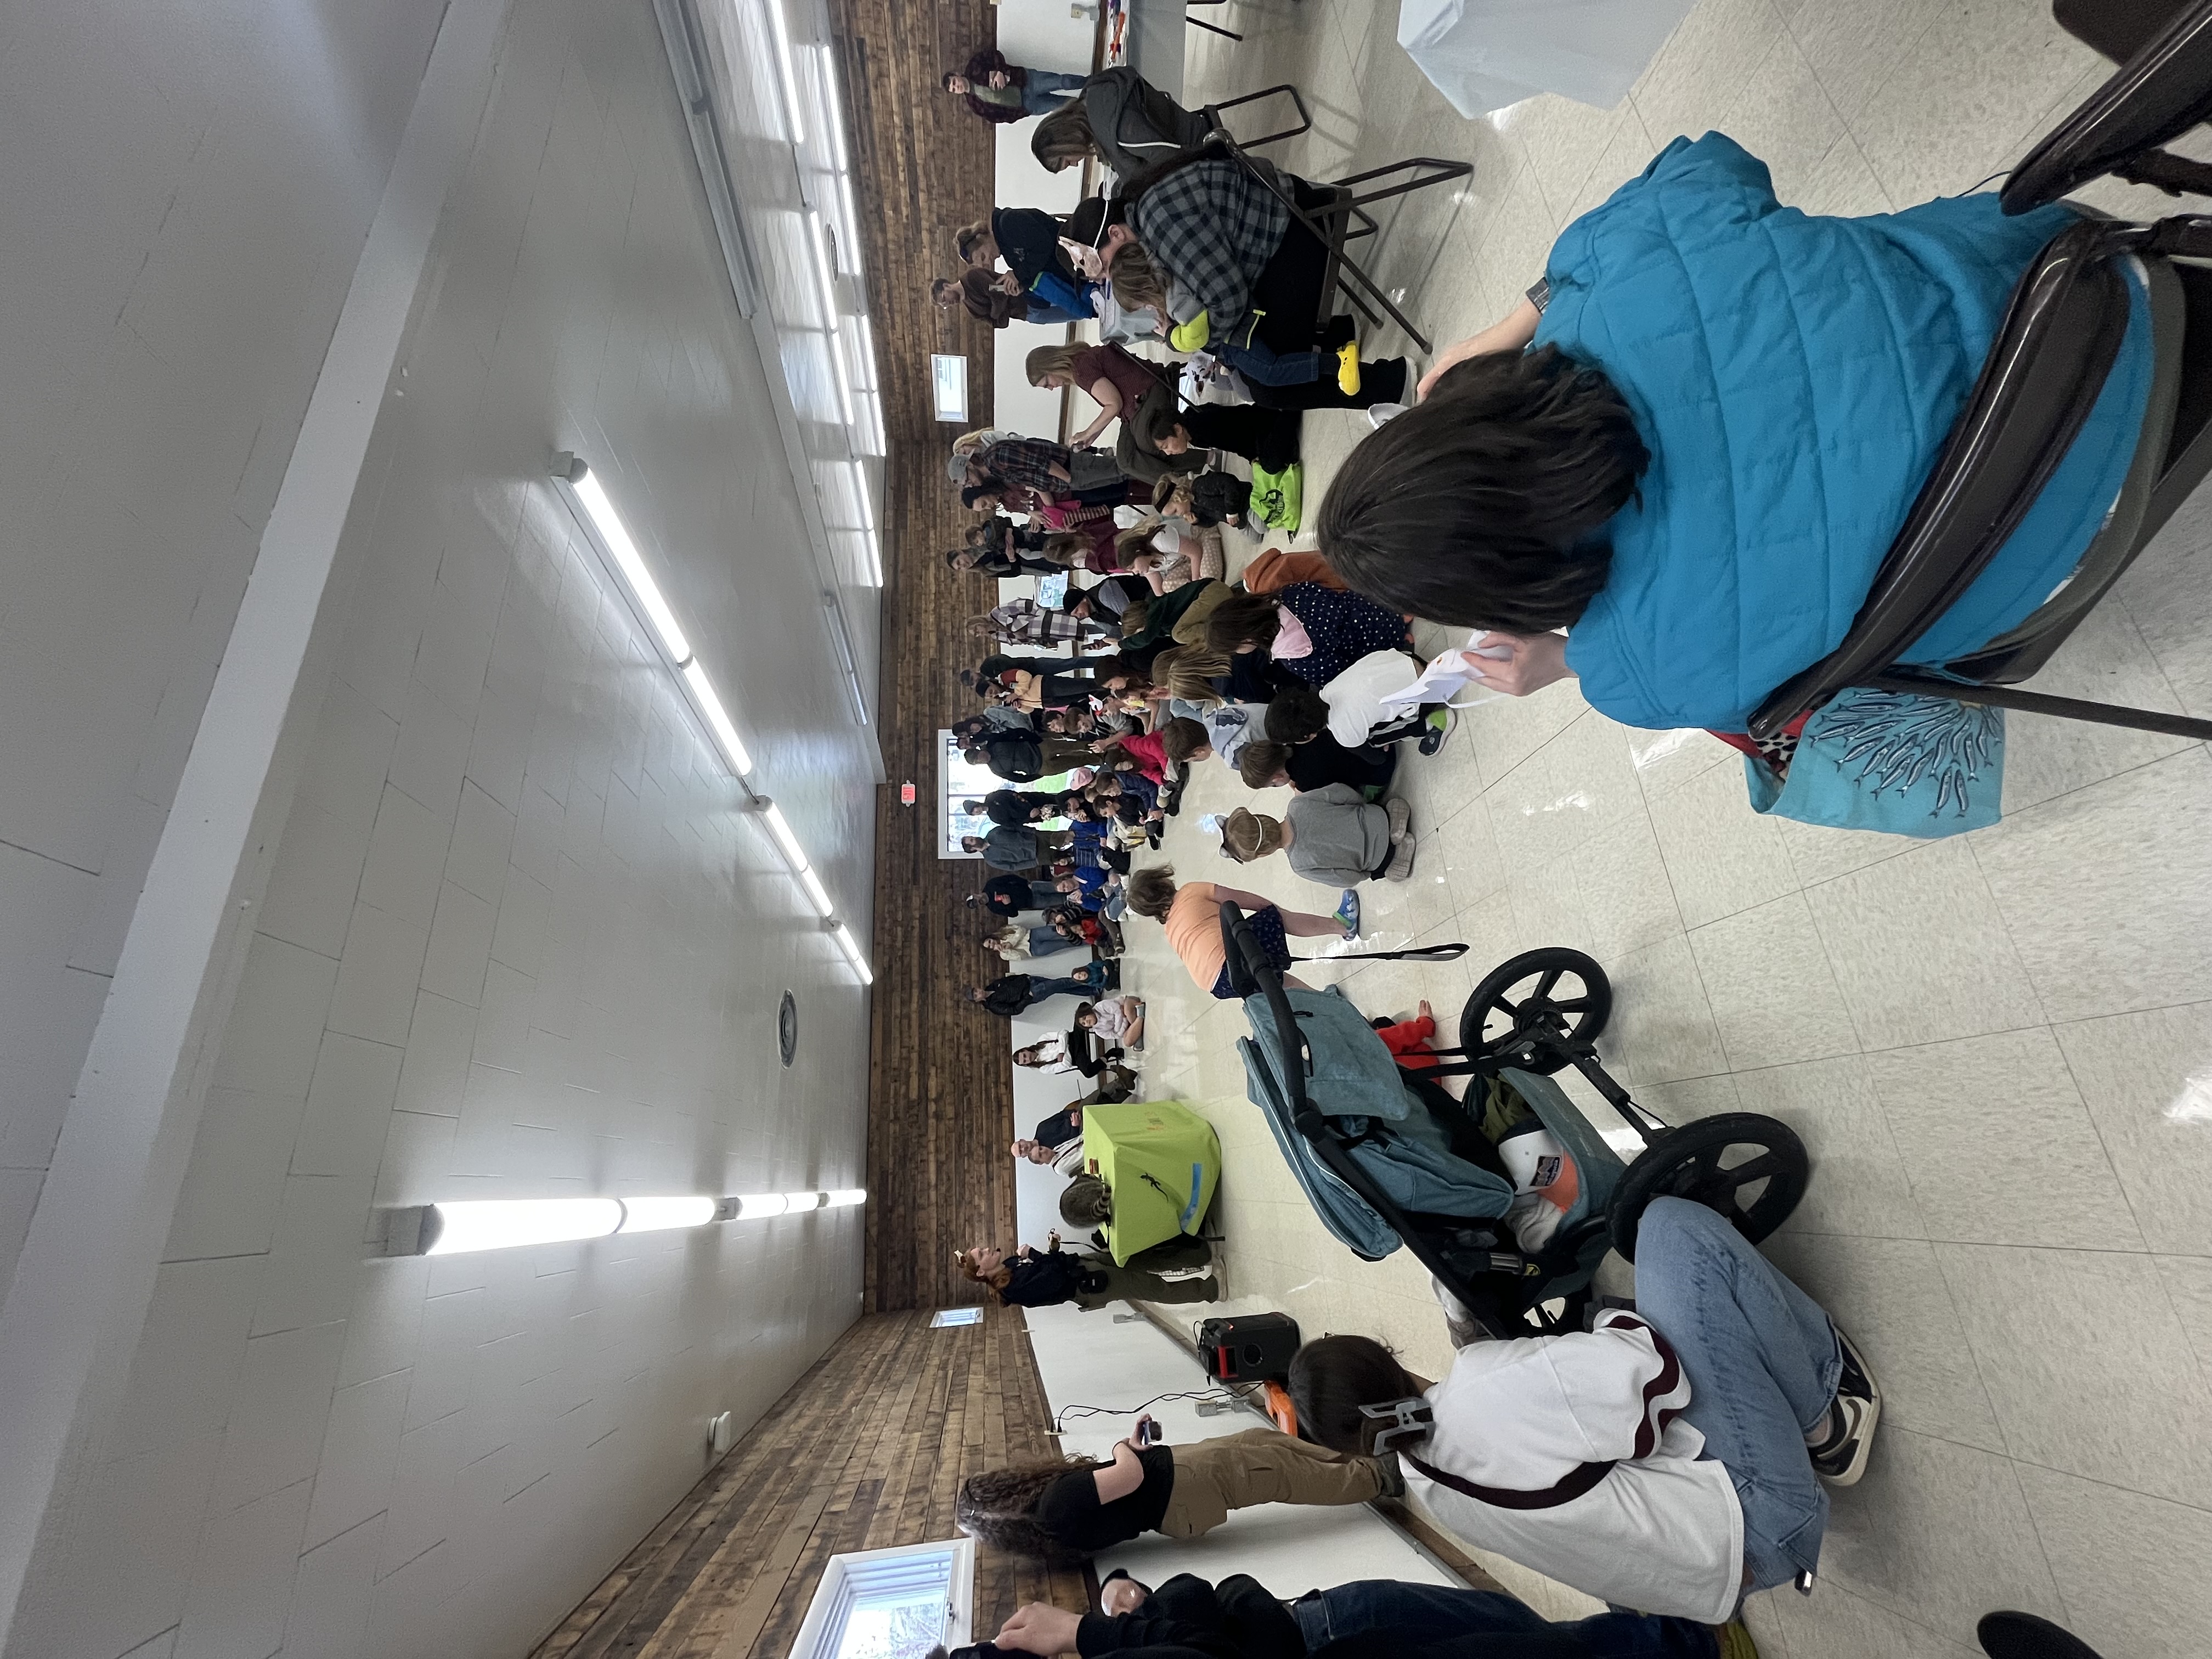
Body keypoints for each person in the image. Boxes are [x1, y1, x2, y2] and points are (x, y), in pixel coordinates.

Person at [1315, 132, 2154, 740]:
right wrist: (1520, 316)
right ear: (1456, 413)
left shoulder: (1633, 667)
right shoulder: (1624, 272)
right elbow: (1707, 161)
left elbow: (1772, 705)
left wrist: (1560, 662)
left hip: (2055, 548)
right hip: (2091, 294)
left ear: (1492, 585)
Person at [1286, 1197, 1885, 1623]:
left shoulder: (1427, 1487)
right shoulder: (1482, 1388)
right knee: (1670, 1230)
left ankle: (1804, 1429)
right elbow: (1655, 1375)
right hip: (1766, 1516)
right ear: (1383, 1354)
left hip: (1721, 1579)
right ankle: (1825, 1422)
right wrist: (1601, 1320)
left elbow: (1504, 1442)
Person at [1068, 173, 1409, 407]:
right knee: (1256, 378)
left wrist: (1183, 338)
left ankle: (1389, 382)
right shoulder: (1146, 224)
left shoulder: (1160, 231)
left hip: (1295, 228)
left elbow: (1228, 304)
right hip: (1272, 238)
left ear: (1115, 235)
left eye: (1107, 268)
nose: (1108, 279)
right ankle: (1343, 340)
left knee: (1268, 383)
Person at [955, 1415, 1393, 1561]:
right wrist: (1119, 1447)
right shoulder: (1053, 1507)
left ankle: (1354, 1461)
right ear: (1002, 1488)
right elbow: (1129, 1477)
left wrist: (1132, 1447)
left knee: (1260, 1443)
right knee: (1279, 1473)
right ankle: (1379, 1478)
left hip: (1179, 1479)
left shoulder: (1050, 1520)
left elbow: (1122, 1486)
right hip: (1184, 1487)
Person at [1045, 1569, 1733, 1659]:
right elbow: (1198, 1598)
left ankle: (1655, 1638)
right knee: (1525, 1644)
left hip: (1324, 1624)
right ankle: (1680, 1642)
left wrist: (1119, 1601)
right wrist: (1093, 1629)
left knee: (1503, 1623)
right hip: (1329, 1635)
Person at [1125, 865, 1359, 1001]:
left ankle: (1326, 1002)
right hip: (1232, 960)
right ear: (1162, 880)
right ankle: (1342, 926)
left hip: (1218, 986)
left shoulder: (1170, 930)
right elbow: (1244, 901)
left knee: (1276, 981)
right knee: (1275, 920)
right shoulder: (1190, 891)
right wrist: (1275, 912)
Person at [1203, 585, 1413, 689]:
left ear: (1246, 640)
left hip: (1373, 644)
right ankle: (1396, 618)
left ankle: (1399, 642)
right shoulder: (1285, 594)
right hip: (1371, 603)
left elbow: (1339, 674)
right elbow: (1329, 594)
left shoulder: (1295, 657)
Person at [1031, 66, 1210, 180]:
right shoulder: (1093, 97)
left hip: (1202, 150)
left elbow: (1170, 160)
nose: (1076, 164)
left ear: (1067, 145)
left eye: (1068, 162)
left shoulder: (1118, 129)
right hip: (1189, 141)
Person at [1221, 793, 1415, 886]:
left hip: (1378, 859)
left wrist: (1366, 874)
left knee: (1384, 872)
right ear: (1262, 817)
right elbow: (1340, 792)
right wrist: (1362, 805)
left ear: (1263, 854)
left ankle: (1398, 855)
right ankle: (1394, 821)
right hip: (1376, 816)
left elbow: (1344, 879)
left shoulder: (1299, 865)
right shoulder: (1297, 804)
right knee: (1389, 808)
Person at [956, 1244, 1218, 1312]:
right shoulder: (1013, 1288)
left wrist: (1048, 1252)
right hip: (1088, 1284)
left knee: (1141, 1259)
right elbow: (1054, 1279)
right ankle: (1206, 1290)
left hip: (1083, 1264)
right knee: (1150, 1287)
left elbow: (1051, 1265)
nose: (987, 1249)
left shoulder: (1011, 1265)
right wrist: (1036, 1254)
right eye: (982, 1254)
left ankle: (1198, 1255)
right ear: (981, 1271)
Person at [1263, 672, 1451, 758]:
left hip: (1429, 691)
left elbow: (1378, 759)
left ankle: (1429, 724)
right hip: (1415, 662)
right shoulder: (1329, 686)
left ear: (1307, 736)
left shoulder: (1343, 735)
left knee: (1373, 739)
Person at [1027, 341, 1175, 449]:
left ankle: (1184, 474)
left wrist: (1087, 433)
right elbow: (1113, 405)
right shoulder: (1080, 365)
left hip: (1148, 390)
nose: (1051, 388)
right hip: (1137, 403)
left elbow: (1114, 405)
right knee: (1125, 459)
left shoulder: (1081, 370)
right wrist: (1093, 435)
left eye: (1047, 384)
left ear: (1051, 366)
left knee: (1146, 445)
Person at [960, 208, 1087, 319]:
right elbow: (1036, 269)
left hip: (1080, 252)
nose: (989, 262)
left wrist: (1017, 274)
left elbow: (1044, 245)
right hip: (1075, 271)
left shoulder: (1008, 223)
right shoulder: (1008, 255)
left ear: (981, 237)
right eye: (984, 264)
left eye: (983, 256)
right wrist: (1022, 286)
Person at [1236, 733, 1396, 800]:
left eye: (1273, 785)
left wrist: (1301, 790)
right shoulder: (1297, 736)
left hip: (1379, 771)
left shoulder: (1306, 781)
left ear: (1277, 778)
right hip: (1380, 742)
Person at [944, 49, 1086, 124]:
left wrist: (1000, 71)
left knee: (1063, 82)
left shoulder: (974, 66)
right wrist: (1021, 113)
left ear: (957, 75)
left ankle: (1092, 82)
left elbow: (995, 55)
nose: (958, 87)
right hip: (1028, 105)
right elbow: (998, 118)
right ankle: (1091, 106)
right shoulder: (974, 105)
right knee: (1064, 106)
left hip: (1027, 81)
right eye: (954, 89)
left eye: (955, 83)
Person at [968, 970, 1111, 1017]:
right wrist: (1029, 997)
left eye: (975, 990)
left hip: (1031, 981)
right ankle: (1097, 979)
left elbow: (1009, 979)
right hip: (1033, 993)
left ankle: (1093, 990)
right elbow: (1014, 1010)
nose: (978, 993)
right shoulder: (993, 1006)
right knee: (1064, 983)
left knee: (1062, 988)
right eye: (975, 995)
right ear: (977, 1001)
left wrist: (1025, 977)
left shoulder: (992, 985)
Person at [972, 874, 1065, 919]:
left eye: (975, 900)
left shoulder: (990, 885)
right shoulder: (993, 908)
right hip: (1033, 902)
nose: (978, 902)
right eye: (976, 904)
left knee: (1059, 886)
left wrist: (1026, 882)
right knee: (1062, 900)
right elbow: (1013, 914)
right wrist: (1008, 905)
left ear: (976, 895)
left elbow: (1010, 878)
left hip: (1031, 888)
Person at [1075, 995, 1145, 1049]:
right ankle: (1140, 1017)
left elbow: (1119, 1010)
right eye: (1084, 1024)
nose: (1087, 1021)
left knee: (1127, 1011)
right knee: (1127, 1042)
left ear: (1088, 1012)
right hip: (1126, 1025)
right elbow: (1117, 1035)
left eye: (1085, 1018)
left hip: (1127, 1005)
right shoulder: (1099, 1032)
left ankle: (1137, 1032)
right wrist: (1124, 1020)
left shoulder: (1100, 1006)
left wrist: (1117, 1029)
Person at [1013, 1133, 1086, 1179]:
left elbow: (1078, 1139)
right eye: (1040, 1155)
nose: (1044, 1151)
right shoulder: (1059, 1168)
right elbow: (1084, 1155)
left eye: (1041, 1148)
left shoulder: (1056, 1149)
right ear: (1041, 1163)